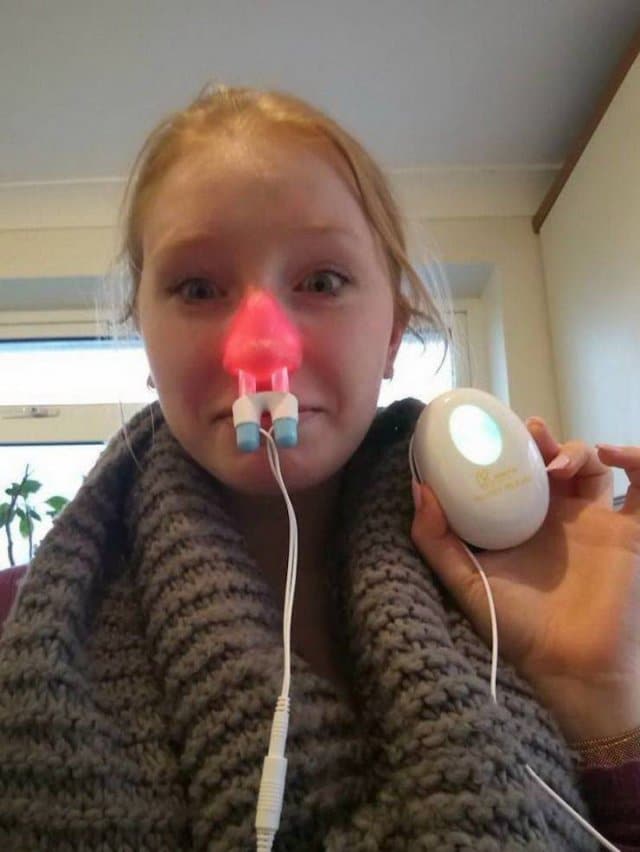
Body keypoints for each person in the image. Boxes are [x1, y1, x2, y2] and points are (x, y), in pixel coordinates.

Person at [0, 84, 638, 851]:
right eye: (197, 288)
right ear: (146, 335)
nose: (261, 347)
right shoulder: (19, 634)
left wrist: (599, 701)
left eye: (322, 282)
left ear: (393, 333)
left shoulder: (516, 593)